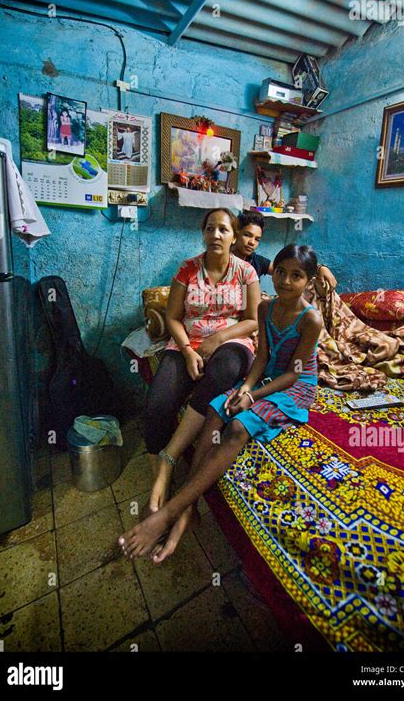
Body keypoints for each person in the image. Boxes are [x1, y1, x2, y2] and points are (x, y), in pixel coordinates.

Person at [119, 244, 322, 563]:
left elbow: (295, 374)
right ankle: (190, 509)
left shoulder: (311, 320)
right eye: (280, 272)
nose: (284, 281)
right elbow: (264, 357)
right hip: (266, 377)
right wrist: (249, 387)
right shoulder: (266, 309)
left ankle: (172, 511)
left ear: (309, 281)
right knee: (216, 410)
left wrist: (253, 396)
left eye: (296, 276)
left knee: (239, 426)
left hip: (294, 386)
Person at [140, 208, 261, 517]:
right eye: (210, 228)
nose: (215, 235)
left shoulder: (246, 272)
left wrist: (218, 340)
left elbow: (252, 320)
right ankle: (160, 480)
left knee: (225, 369)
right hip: (187, 343)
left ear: (234, 236)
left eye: (223, 229)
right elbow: (172, 317)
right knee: (157, 405)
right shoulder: (188, 269)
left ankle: (171, 456)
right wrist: (188, 350)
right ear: (203, 233)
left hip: (232, 342)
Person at [232, 211, 338, 290]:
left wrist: (320, 268)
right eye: (247, 235)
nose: (252, 242)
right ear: (235, 234)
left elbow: (291, 267)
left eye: (257, 239)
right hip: (228, 310)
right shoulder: (222, 259)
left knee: (319, 287)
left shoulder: (255, 261)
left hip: (250, 308)